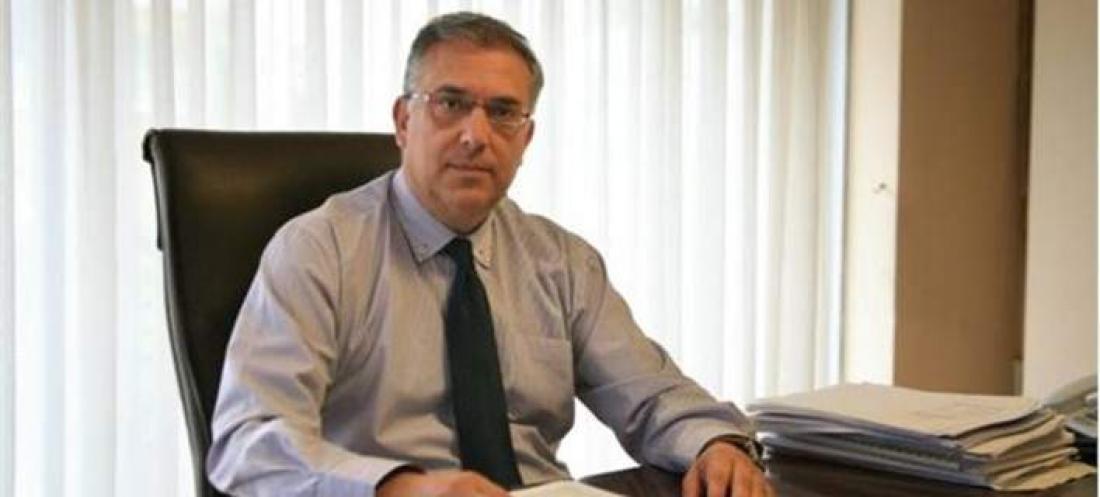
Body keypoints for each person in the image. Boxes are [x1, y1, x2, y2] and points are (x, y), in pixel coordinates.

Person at [207, 11, 774, 497]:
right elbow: (248, 442)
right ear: (404, 121)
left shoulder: (561, 262)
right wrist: (400, 487)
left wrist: (715, 443)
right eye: (450, 103)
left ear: (525, 139)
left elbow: (649, 394)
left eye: (503, 112)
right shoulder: (318, 250)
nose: (476, 135)